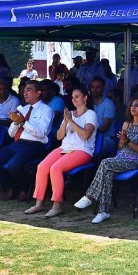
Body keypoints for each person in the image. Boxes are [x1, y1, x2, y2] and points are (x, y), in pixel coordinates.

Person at [75, 96, 138, 223]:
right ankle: (103, 212)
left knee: (105, 162)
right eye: (132, 105)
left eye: (137, 105)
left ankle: (89, 196)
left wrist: (128, 141)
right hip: (120, 158)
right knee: (108, 173)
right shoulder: (126, 124)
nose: (133, 107)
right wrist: (122, 141)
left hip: (134, 161)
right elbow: (120, 147)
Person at [24, 87, 98, 217]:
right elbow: (59, 136)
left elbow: (86, 135)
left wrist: (70, 121)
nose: (74, 99)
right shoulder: (69, 114)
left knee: (56, 168)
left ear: (85, 98)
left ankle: (57, 205)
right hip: (65, 147)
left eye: (77, 96)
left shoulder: (91, 114)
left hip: (82, 150)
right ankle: (38, 203)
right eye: (73, 97)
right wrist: (65, 122)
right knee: (42, 166)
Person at [0, 81, 54, 202]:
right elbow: (11, 133)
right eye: (24, 90)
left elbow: (41, 133)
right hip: (17, 143)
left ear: (38, 93)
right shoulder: (23, 109)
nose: (24, 93)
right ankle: (12, 186)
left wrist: (23, 122)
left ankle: (25, 189)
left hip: (34, 145)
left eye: (29, 90)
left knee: (13, 165)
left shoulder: (46, 110)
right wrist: (16, 122)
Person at [90, 76, 115, 157]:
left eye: (98, 87)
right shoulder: (88, 103)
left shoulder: (108, 104)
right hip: (91, 137)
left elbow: (105, 128)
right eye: (92, 87)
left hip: (106, 139)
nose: (94, 89)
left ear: (104, 88)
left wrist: (87, 130)